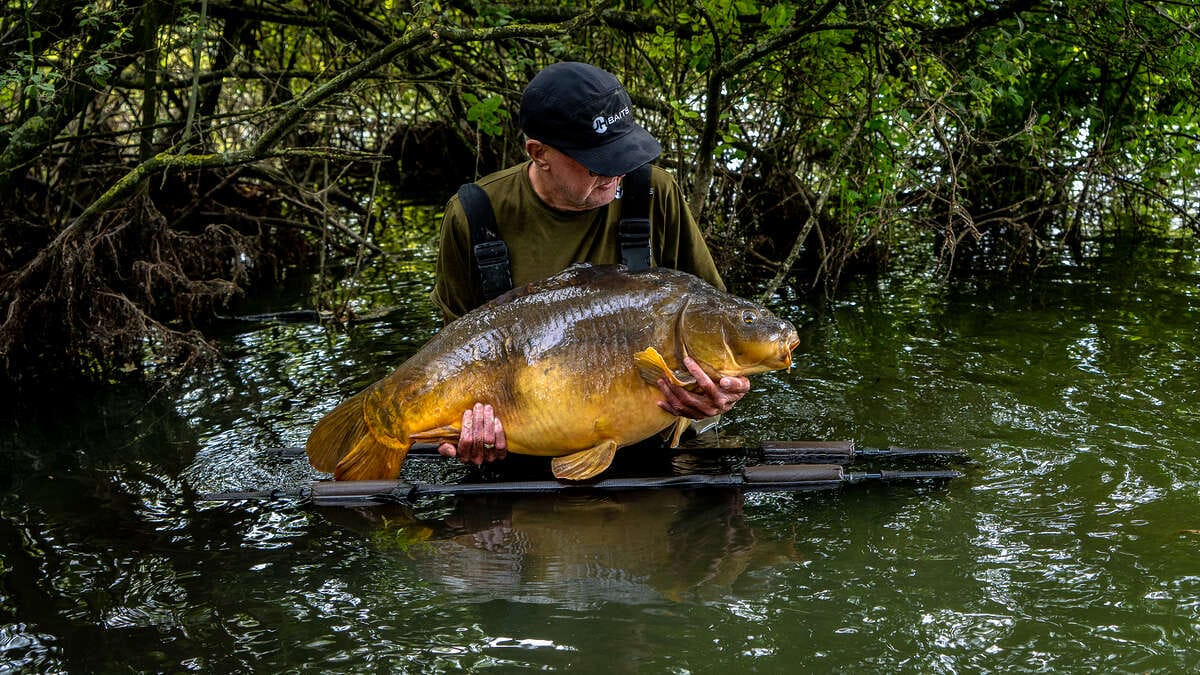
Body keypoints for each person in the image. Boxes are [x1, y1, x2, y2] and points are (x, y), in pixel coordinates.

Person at [430, 61, 750, 466]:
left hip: (652, 435)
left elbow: (716, 321)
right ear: (539, 153)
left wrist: (723, 391)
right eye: (599, 162)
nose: (616, 174)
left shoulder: (655, 193)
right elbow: (453, 356)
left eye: (624, 154)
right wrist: (464, 430)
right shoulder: (474, 216)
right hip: (523, 439)